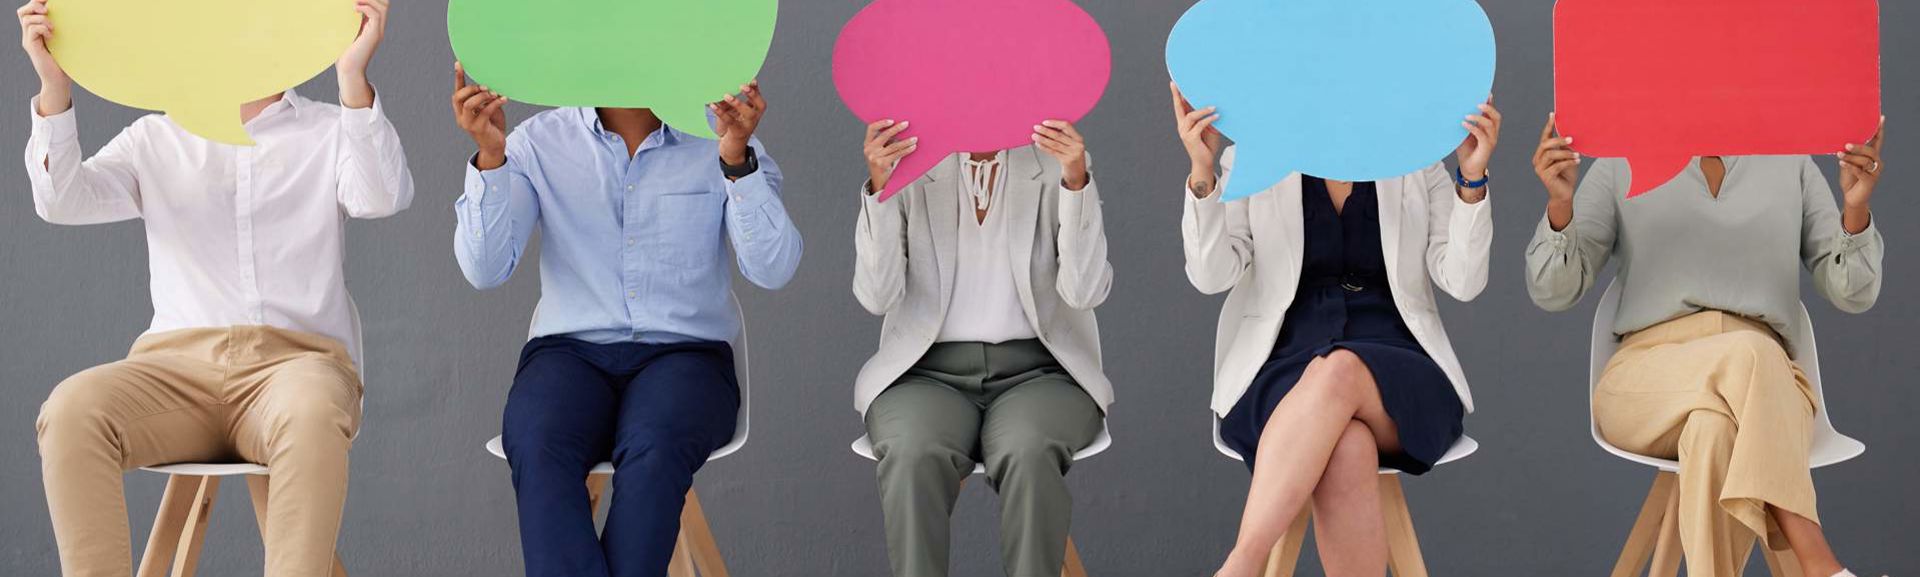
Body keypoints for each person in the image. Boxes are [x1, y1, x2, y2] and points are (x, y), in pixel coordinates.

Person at [19, 0, 412, 574]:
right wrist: (54, 87)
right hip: (175, 372)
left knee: (309, 412)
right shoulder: (155, 137)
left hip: (295, 369)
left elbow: (381, 196)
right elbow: (62, 200)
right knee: (71, 409)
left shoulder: (331, 127)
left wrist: (352, 77)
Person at [448, 65, 801, 577]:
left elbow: (774, 269)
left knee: (655, 446)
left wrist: (735, 162)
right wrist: (491, 157)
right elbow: (484, 270)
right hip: (569, 354)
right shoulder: (537, 142)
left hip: (687, 357)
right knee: (536, 437)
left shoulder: (720, 135)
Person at [1527, 114, 1888, 577]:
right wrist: (1561, 204)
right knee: (1747, 353)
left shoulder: (1788, 158)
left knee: (1713, 429)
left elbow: (1853, 292)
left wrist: (1855, 209)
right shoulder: (1624, 156)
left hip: (1768, 389)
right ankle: (1818, 562)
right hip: (1649, 378)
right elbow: (1553, 292)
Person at [1171, 82, 1498, 577]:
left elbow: (1464, 280)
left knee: (1340, 370)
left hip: (1401, 370)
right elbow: (1211, 276)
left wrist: (1471, 180)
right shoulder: (1253, 158)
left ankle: (1242, 564)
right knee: (1347, 447)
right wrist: (1203, 174)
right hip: (1280, 367)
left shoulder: (1415, 160)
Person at [851, 115, 1114, 577]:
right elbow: (877, 296)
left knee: (1028, 450)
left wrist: (1075, 182)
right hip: (925, 374)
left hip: (1041, 372)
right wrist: (882, 187)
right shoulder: (910, 162)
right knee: (911, 451)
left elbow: (1086, 293)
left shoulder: (1054, 160)